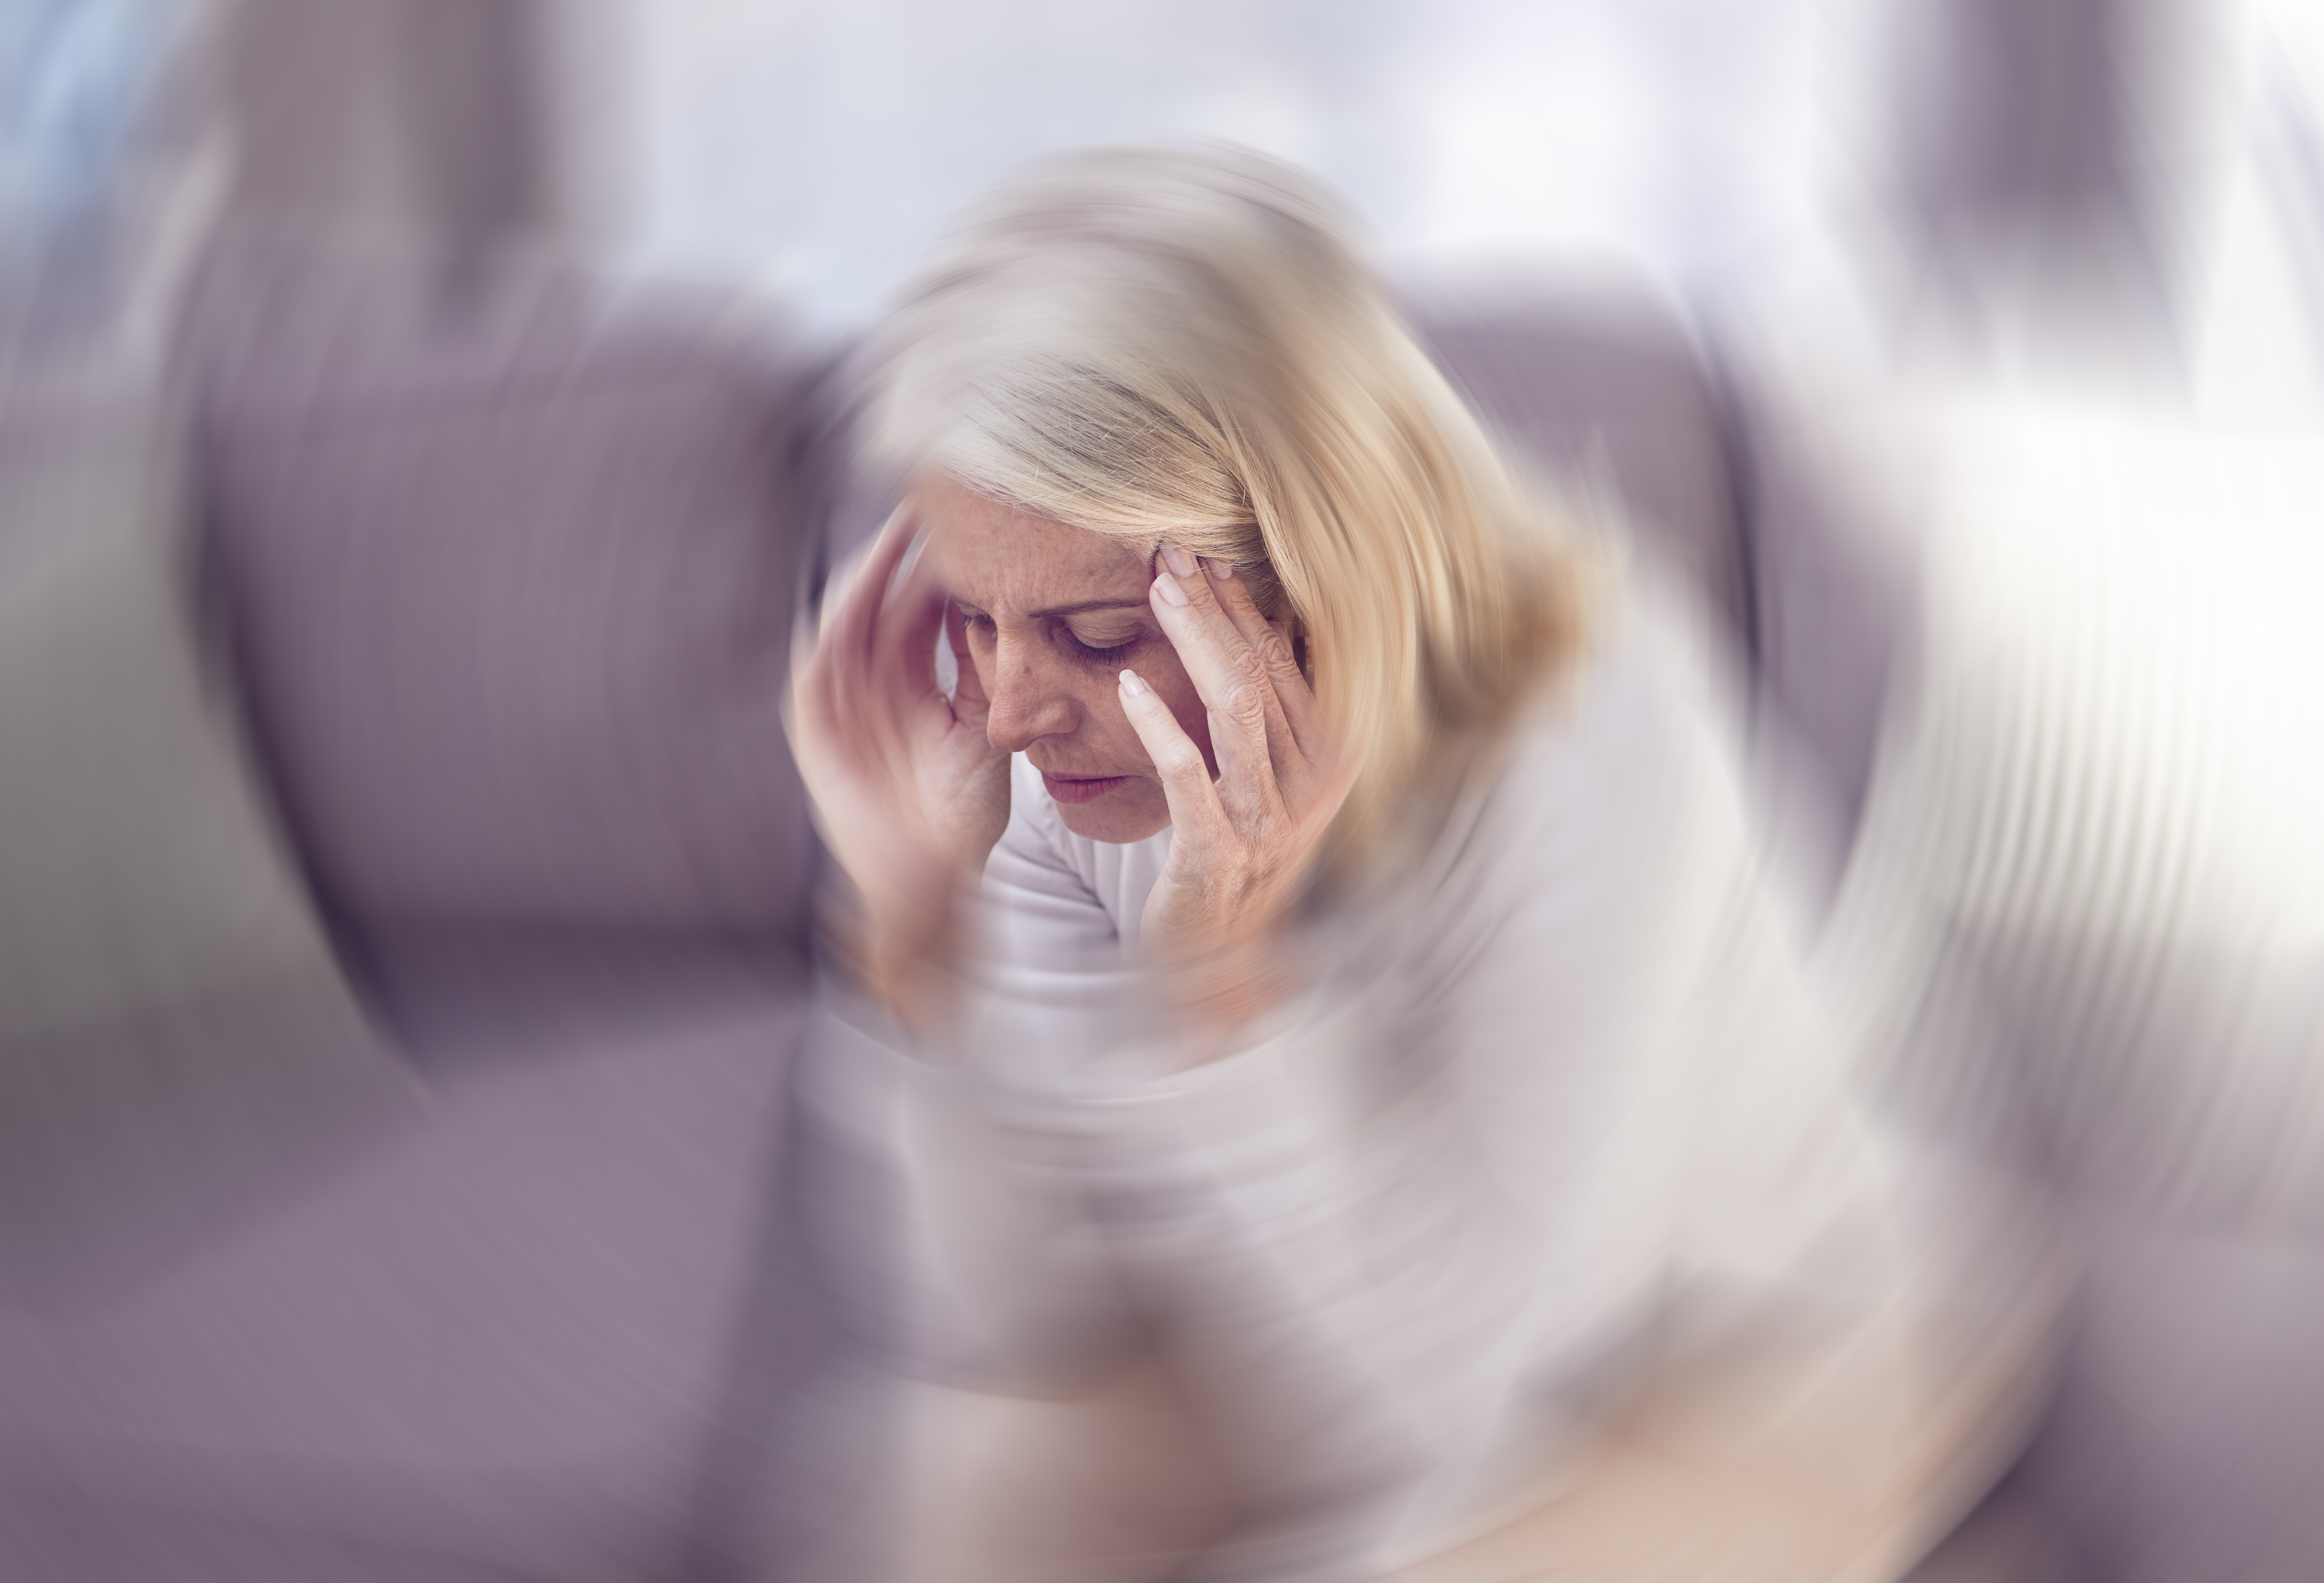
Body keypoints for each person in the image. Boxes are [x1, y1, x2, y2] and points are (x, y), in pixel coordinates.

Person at [788, 145, 2033, 1583]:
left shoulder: (1600, 739)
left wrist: (1219, 995)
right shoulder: (1047, 760)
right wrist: (915, 939)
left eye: (1098, 632)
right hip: (1295, 1329)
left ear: (1321, 575)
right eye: (977, 616)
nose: (1004, 707)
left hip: (1728, 1362)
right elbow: (1006, 1320)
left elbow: (1466, 1404)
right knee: (942, 1490)